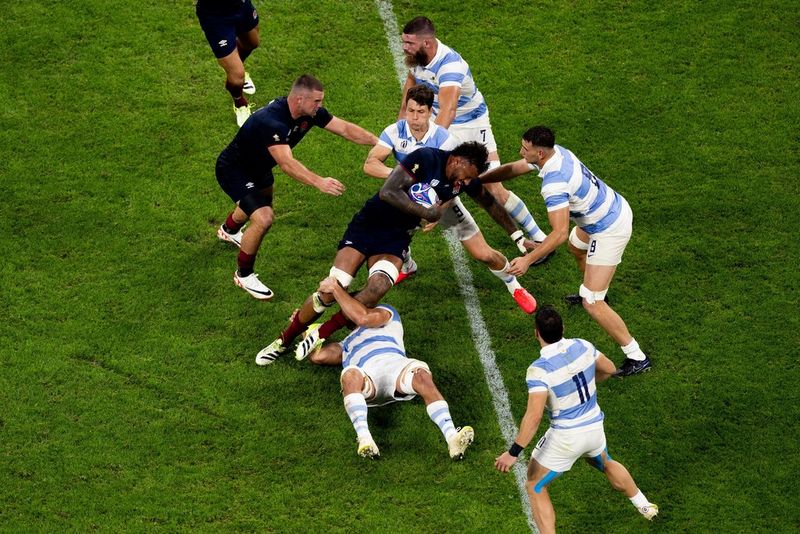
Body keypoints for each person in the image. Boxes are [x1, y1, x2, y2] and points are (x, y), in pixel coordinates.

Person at [256, 142, 537, 365]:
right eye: (466, 177)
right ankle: (282, 341)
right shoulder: (426, 159)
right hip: (368, 226)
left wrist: (518, 237)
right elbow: (387, 191)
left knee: (377, 288)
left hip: (395, 238)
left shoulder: (462, 180)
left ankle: (319, 332)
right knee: (333, 288)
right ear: (458, 161)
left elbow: (489, 202)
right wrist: (427, 213)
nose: (465, 184)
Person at [480, 126, 651, 376]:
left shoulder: (554, 183)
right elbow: (515, 168)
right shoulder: (556, 153)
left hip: (608, 228)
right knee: (576, 245)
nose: (520, 152)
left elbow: (558, 233)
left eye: (524, 149)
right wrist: (480, 179)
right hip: (606, 209)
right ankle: (597, 289)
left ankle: (637, 356)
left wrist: (527, 260)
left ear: (539, 153)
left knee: (591, 301)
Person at [399, 16, 552, 265]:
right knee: (427, 182)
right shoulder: (416, 59)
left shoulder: (450, 66)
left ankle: (540, 240)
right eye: (403, 41)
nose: (404, 47)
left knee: (493, 187)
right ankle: (405, 253)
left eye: (409, 43)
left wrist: (431, 147)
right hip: (442, 119)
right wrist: (402, 127)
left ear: (427, 43)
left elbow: (448, 109)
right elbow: (410, 87)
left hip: (471, 123)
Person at [494, 306, 659, 532]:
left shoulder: (539, 371)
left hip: (566, 437)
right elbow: (609, 369)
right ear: (563, 328)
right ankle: (643, 504)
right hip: (594, 427)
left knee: (534, 485)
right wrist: (591, 383)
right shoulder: (583, 345)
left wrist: (512, 453)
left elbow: (533, 417)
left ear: (536, 334)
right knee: (603, 460)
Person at [215, 74, 378, 299]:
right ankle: (244, 275)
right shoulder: (272, 122)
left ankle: (229, 230)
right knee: (263, 217)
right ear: (299, 99)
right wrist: (319, 181)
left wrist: (380, 142)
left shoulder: (309, 113)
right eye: (316, 102)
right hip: (234, 169)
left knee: (261, 203)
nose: (320, 106)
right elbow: (287, 164)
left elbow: (345, 129)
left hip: (259, 168)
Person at [304, 276, 475, 459]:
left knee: (422, 375)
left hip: (396, 369)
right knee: (349, 374)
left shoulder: (385, 313)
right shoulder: (346, 343)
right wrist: (307, 332)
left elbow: (363, 317)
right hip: (369, 380)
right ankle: (365, 438)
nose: (344, 313)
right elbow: (318, 356)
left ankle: (452, 437)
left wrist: (336, 289)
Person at [196, 0, 261, 127]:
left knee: (252, 43)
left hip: (241, 6)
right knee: (237, 78)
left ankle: (238, 67)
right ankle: (240, 103)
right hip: (216, 17)